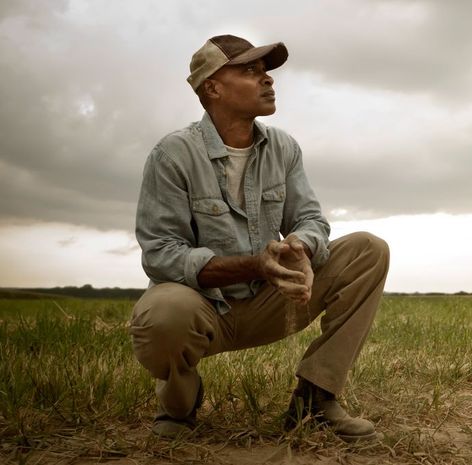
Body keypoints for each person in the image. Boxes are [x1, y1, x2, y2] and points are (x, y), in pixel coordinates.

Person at [130, 34, 390, 442]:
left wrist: (301, 248)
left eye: (266, 72)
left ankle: (315, 399)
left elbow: (308, 218)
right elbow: (161, 255)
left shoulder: (283, 147)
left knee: (367, 250)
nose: (268, 80)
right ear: (212, 87)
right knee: (162, 313)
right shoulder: (173, 154)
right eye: (250, 71)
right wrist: (253, 263)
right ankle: (180, 404)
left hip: (272, 301)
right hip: (205, 310)